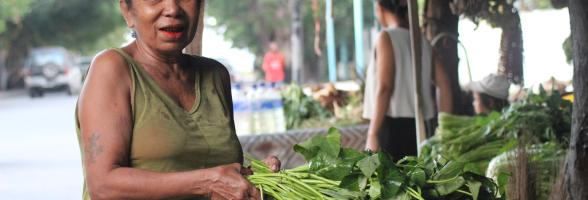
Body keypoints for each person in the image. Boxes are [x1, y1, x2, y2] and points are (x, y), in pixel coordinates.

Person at [76, 0, 279, 199]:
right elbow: (103, 186)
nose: (173, 9)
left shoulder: (216, 74)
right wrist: (208, 183)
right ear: (128, 11)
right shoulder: (112, 68)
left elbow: (211, 171)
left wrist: (251, 177)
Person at [363, 0, 453, 160]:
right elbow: (445, 84)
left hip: (392, 128)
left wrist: (372, 133)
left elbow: (385, 87)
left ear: (380, 8)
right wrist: (445, 128)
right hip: (423, 126)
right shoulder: (422, 41)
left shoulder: (386, 37)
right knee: (420, 180)